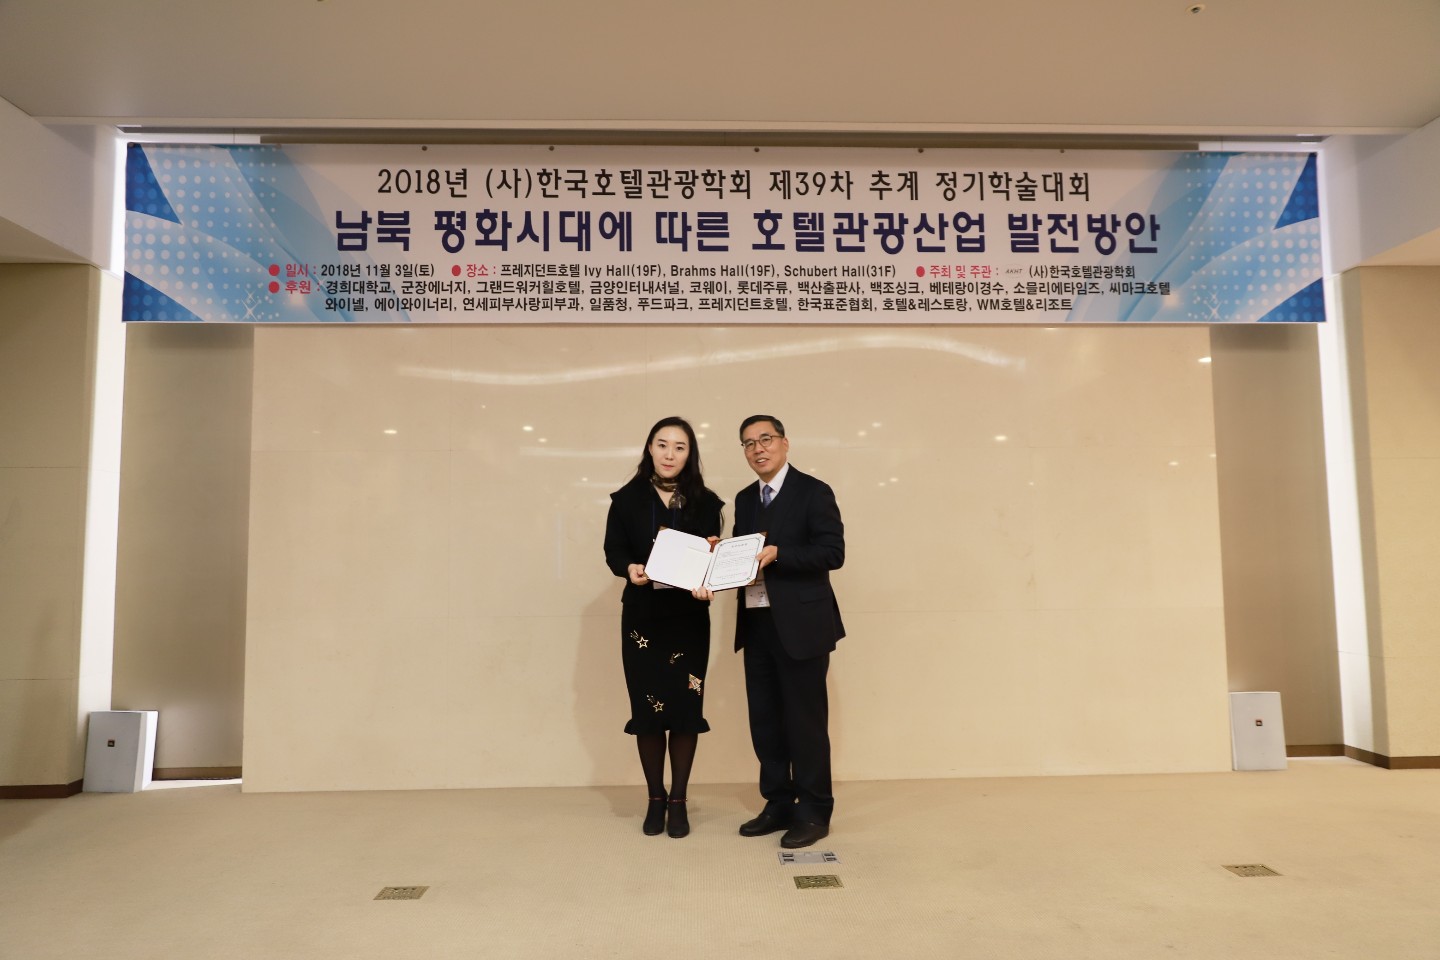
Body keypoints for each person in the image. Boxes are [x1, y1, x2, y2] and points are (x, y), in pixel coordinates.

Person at [728, 414, 845, 849]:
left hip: (803, 627)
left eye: (766, 439)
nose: (758, 448)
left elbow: (832, 552)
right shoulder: (744, 499)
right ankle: (778, 803)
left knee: (805, 724)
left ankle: (814, 811)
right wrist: (719, 557)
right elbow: (742, 556)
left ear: (785, 443)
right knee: (766, 722)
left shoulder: (814, 491)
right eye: (748, 443)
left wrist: (780, 554)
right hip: (757, 623)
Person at [603, 416, 723, 838]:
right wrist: (629, 567)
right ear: (650, 448)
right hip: (643, 619)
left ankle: (679, 800)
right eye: (662, 444)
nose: (670, 454)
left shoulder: (707, 502)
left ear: (690, 454)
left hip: (689, 619)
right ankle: (656, 798)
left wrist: (710, 578)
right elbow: (614, 549)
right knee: (648, 711)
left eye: (680, 447)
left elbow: (712, 558)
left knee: (686, 710)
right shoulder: (626, 499)